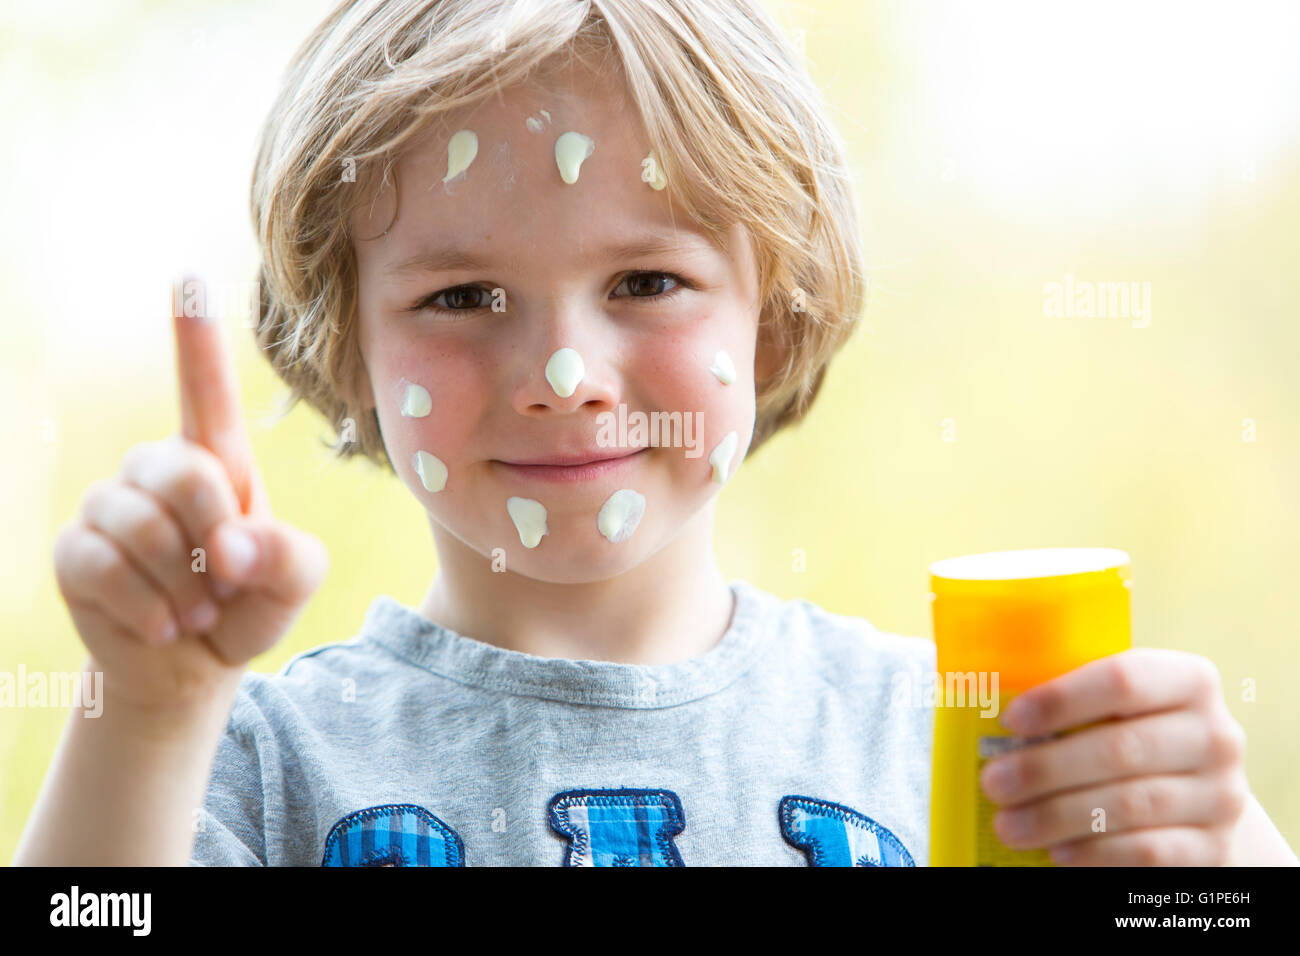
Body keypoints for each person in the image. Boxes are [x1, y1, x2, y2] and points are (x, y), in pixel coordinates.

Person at [15, 0, 1295, 866]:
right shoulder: (251, 765)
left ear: (776, 324)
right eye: (461, 298)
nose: (565, 373)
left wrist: (1215, 845)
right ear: (346, 352)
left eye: (645, 283)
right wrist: (140, 712)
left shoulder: (952, 739)